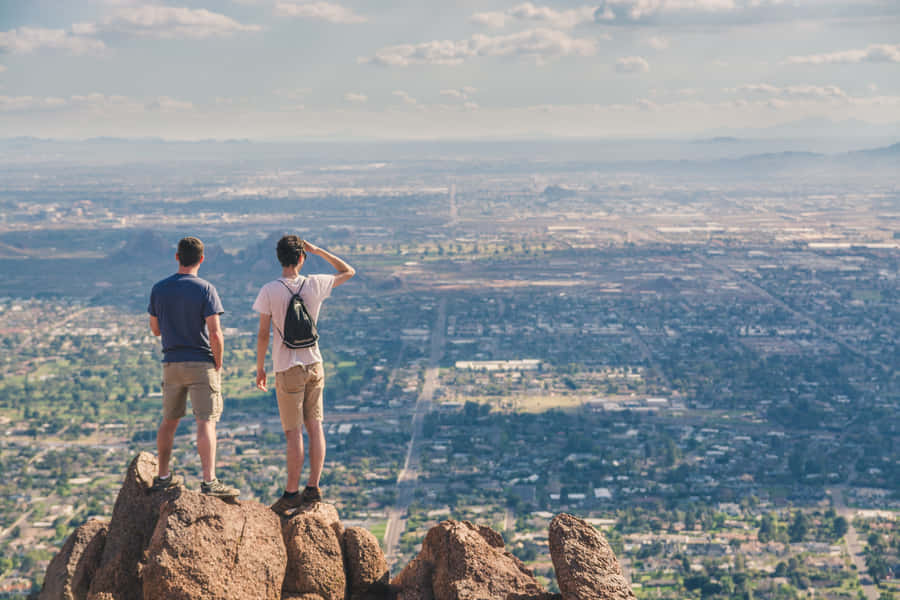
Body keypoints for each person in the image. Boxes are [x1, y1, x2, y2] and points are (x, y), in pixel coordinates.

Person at [253, 235, 355, 513]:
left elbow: (264, 333)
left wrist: (261, 367)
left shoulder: (269, 290)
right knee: (315, 426)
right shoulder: (315, 283)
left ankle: (291, 493)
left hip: (287, 368)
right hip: (314, 364)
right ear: (301, 258)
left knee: (293, 433)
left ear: (279, 258)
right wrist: (318, 250)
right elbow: (348, 271)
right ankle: (313, 488)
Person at [147, 236, 239, 498]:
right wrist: (218, 362)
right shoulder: (205, 289)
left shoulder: (159, 288)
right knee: (206, 422)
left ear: (177, 257)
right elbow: (215, 332)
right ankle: (209, 482)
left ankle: (163, 476)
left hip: (172, 362)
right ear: (201, 259)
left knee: (169, 420)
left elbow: (155, 329)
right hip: (201, 362)